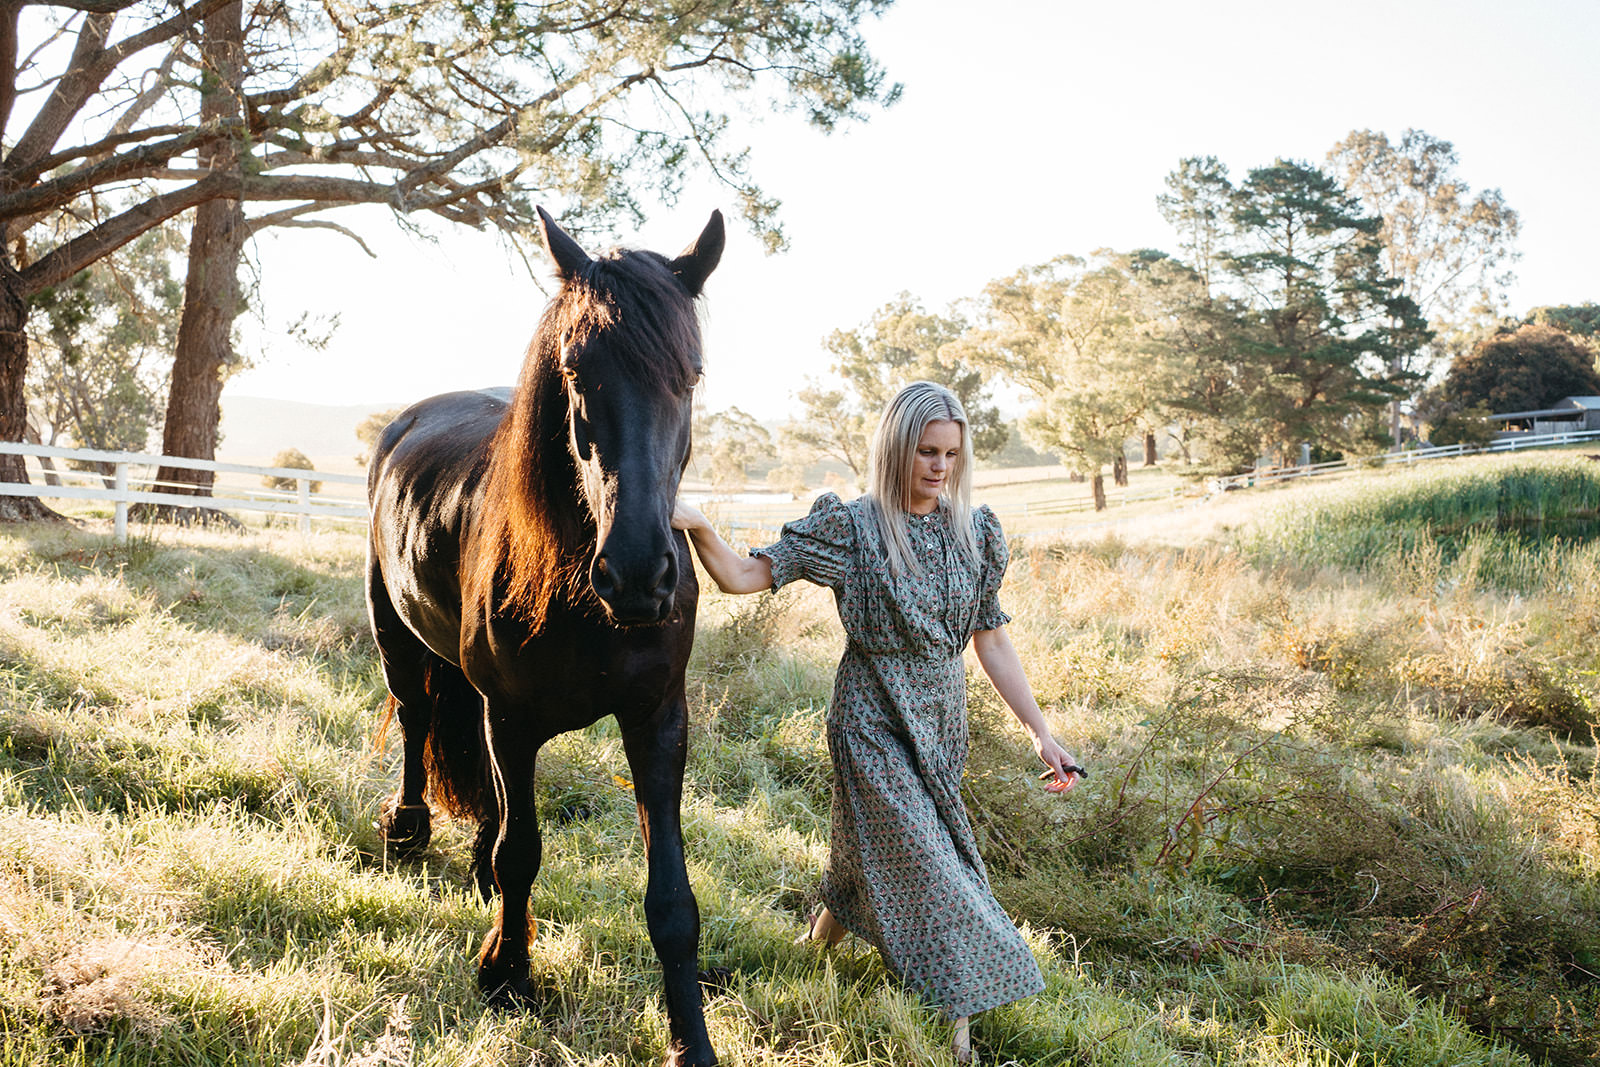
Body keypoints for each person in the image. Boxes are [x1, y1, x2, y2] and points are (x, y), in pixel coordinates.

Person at [673, 381, 1084, 1063]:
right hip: (870, 718)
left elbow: (992, 638)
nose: (940, 467)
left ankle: (816, 944)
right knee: (930, 861)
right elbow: (744, 576)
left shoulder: (974, 530)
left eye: (951, 454)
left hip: (943, 722)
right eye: (926, 451)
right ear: (896, 447)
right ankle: (957, 1022)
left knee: (868, 849)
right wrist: (697, 527)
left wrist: (1042, 732)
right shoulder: (853, 527)